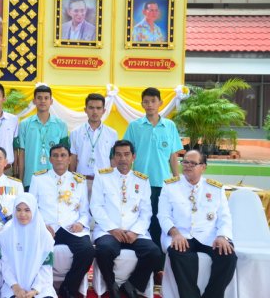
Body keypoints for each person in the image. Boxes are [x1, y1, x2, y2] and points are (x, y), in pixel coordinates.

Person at [158, 150, 237, 298]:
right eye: (185, 162)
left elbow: (225, 217)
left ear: (203, 167)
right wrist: (175, 233)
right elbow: (163, 215)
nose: (187, 166)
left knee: (228, 256)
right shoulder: (170, 186)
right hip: (181, 235)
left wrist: (222, 236)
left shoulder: (215, 188)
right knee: (178, 254)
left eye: (193, 163)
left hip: (209, 236)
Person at [90, 140, 161, 298]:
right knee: (104, 250)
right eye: (119, 155)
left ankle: (132, 285)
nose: (122, 158)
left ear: (133, 157)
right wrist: (112, 229)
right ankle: (111, 284)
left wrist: (135, 232)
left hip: (134, 231)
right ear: (114, 157)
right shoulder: (102, 177)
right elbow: (96, 206)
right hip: (109, 230)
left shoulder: (142, 180)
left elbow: (146, 211)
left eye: (126, 154)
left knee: (154, 252)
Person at [123, 87, 183, 261]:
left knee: (159, 222)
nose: (149, 105)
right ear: (141, 104)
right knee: (139, 221)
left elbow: (173, 155)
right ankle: (140, 260)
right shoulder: (135, 126)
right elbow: (127, 153)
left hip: (162, 183)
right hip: (139, 183)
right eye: (146, 102)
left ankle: (159, 265)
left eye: (153, 101)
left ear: (160, 103)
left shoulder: (169, 126)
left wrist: (176, 178)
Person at [29, 144, 94, 298]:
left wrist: (81, 223)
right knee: (32, 249)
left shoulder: (79, 180)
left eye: (63, 155)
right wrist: (41, 225)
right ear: (50, 159)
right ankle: (40, 289)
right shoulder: (38, 178)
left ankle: (68, 289)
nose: (59, 159)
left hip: (70, 228)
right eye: (56, 155)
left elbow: (85, 211)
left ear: (69, 158)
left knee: (88, 251)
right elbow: (31, 208)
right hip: (46, 228)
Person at [0, 193, 56, 298]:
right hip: (12, 287)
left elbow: (46, 266)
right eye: (18, 210)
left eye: (27, 210)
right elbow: (5, 265)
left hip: (40, 287)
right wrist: (16, 287)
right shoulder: (6, 235)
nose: (22, 214)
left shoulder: (44, 236)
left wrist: (35, 290)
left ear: (34, 211)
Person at [17, 84, 69, 188]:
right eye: (39, 98)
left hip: (54, 179)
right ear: (34, 101)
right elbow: (21, 154)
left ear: (51, 101)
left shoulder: (61, 125)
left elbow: (64, 155)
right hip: (30, 178)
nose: (43, 101)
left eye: (46, 98)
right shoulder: (24, 124)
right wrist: (20, 180)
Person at [69, 93, 118, 196]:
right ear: (85, 110)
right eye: (91, 108)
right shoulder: (75, 133)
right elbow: (73, 159)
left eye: (98, 108)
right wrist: (72, 181)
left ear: (104, 111)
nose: (95, 111)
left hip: (104, 181)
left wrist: (113, 181)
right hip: (81, 181)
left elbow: (113, 160)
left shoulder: (112, 133)